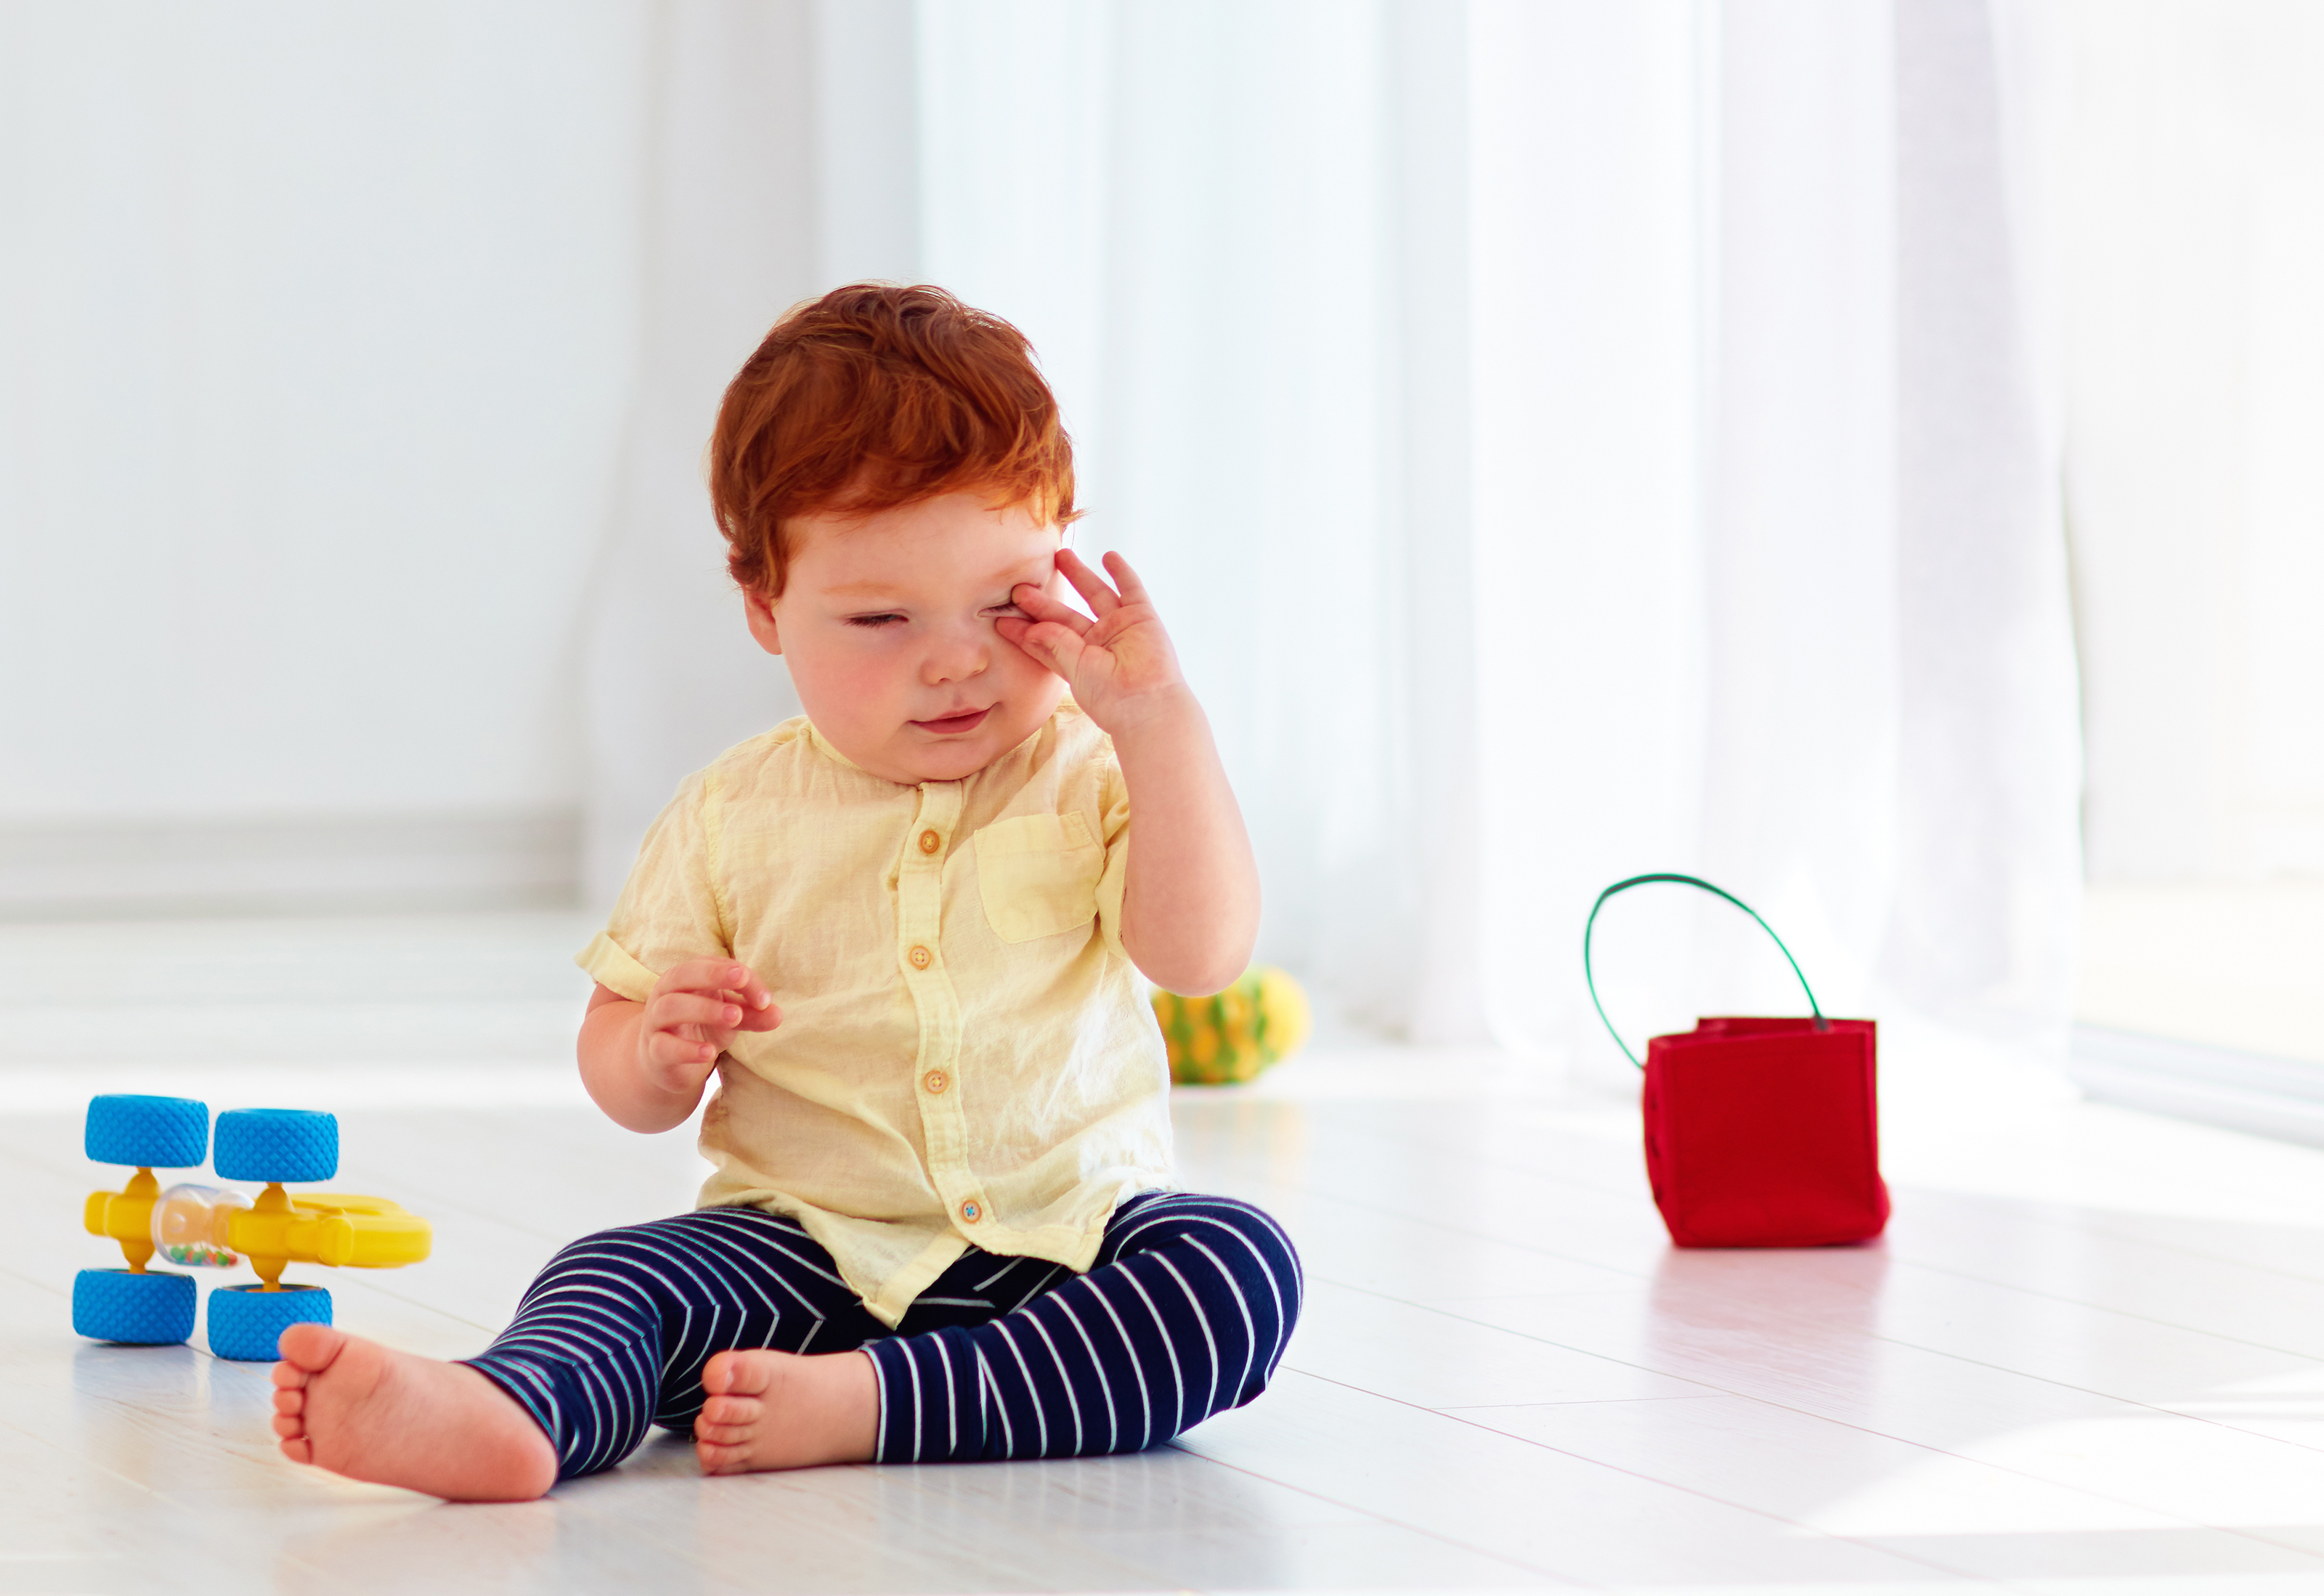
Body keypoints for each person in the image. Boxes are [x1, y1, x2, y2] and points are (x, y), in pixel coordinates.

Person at [265, 283, 1302, 1502]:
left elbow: (1200, 952)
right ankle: (515, 1408)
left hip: (1063, 1244)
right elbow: (617, 1062)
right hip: (803, 1253)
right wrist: (654, 1049)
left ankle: (877, 1406)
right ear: (765, 607)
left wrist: (1161, 726)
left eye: (1004, 601)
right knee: (615, 1274)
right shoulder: (731, 814)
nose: (957, 657)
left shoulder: (1097, 767)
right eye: (879, 616)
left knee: (1236, 1268)